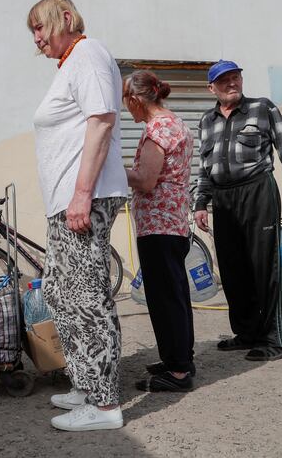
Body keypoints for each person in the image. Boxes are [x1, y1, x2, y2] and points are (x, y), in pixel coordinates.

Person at [27, 0, 128, 431]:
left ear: (65, 18)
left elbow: (101, 121)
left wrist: (82, 195)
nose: (36, 38)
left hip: (83, 199)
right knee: (60, 294)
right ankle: (86, 384)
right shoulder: (70, 62)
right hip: (66, 202)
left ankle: (105, 406)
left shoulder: (88, 53)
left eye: (40, 27)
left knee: (87, 298)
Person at [194, 60, 282, 361]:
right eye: (223, 80)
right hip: (222, 198)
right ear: (211, 88)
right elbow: (205, 168)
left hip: (258, 191)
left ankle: (274, 338)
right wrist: (200, 203)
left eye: (235, 78)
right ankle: (246, 333)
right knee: (232, 269)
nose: (231, 83)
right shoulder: (206, 121)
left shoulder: (262, 108)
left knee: (264, 265)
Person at [124, 71, 196, 392]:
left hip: (160, 225)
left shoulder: (157, 129)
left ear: (136, 100)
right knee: (174, 294)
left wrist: (110, 167)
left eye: (127, 104)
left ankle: (178, 370)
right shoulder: (174, 122)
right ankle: (178, 358)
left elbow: (146, 179)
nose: (128, 112)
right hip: (173, 223)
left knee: (166, 297)